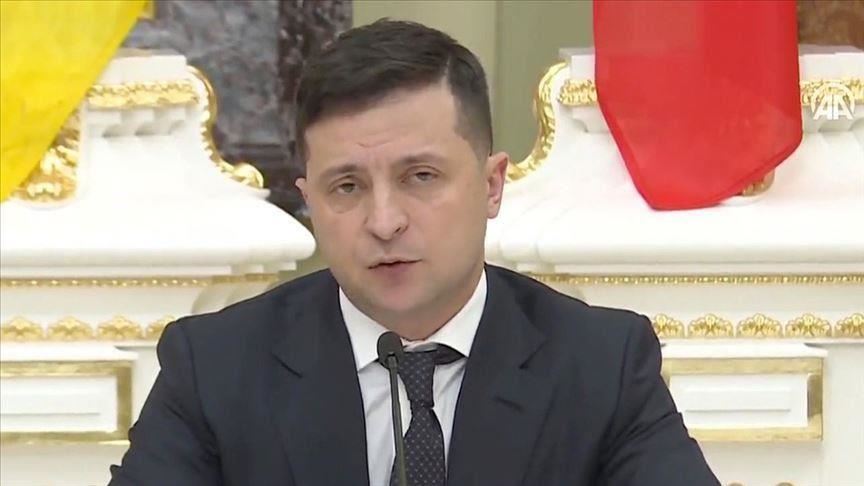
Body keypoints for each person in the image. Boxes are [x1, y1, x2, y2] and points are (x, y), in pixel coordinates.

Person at [109, 19, 719, 486]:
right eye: (346, 187)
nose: (384, 222)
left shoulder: (602, 364)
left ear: (491, 186)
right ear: (310, 202)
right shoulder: (215, 368)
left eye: (420, 177)